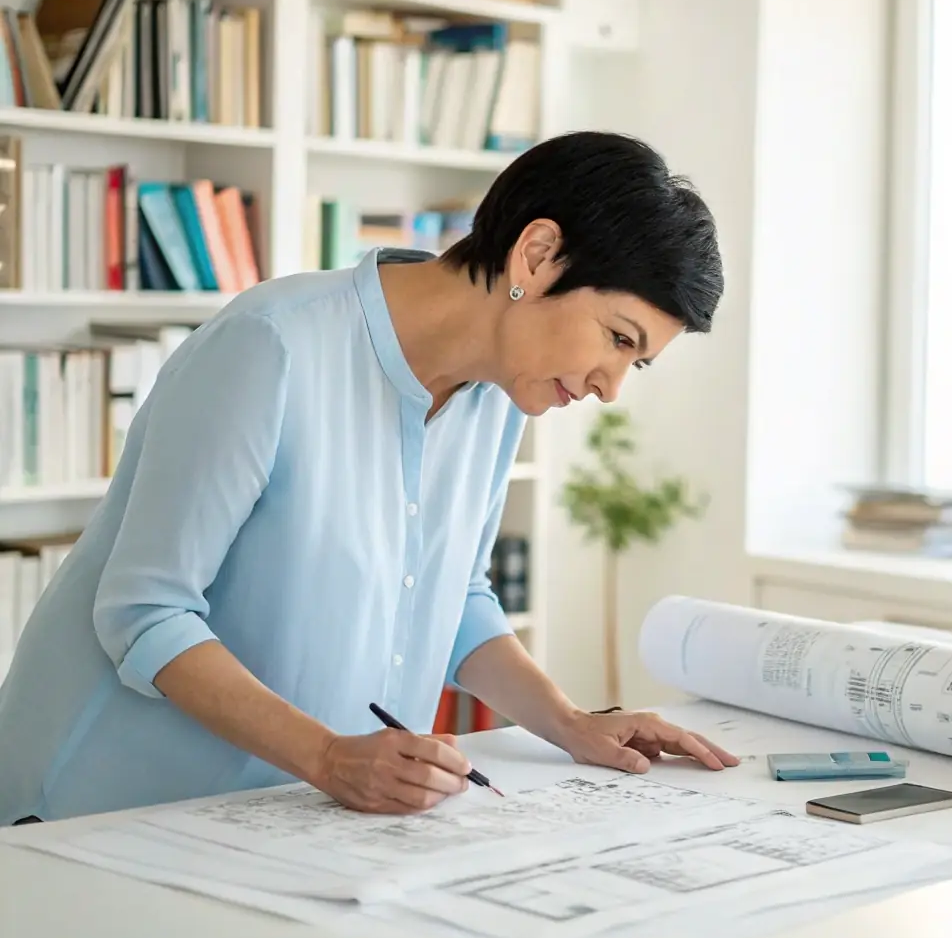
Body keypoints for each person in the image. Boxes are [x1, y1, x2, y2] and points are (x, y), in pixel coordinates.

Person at [0, 131, 737, 826]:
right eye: (616, 338)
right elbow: (144, 613)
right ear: (537, 255)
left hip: (280, 823)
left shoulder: (500, 394)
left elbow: (456, 596)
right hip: (96, 810)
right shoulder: (272, 347)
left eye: (633, 362)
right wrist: (326, 756)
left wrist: (572, 724)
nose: (610, 386)